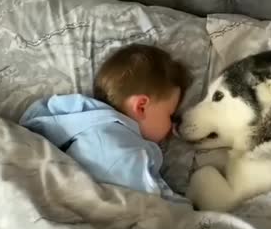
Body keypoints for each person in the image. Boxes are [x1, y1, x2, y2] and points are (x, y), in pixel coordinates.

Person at [19, 44, 191, 203]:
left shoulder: (81, 125)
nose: (172, 127)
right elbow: (148, 209)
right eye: (170, 114)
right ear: (141, 106)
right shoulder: (119, 149)